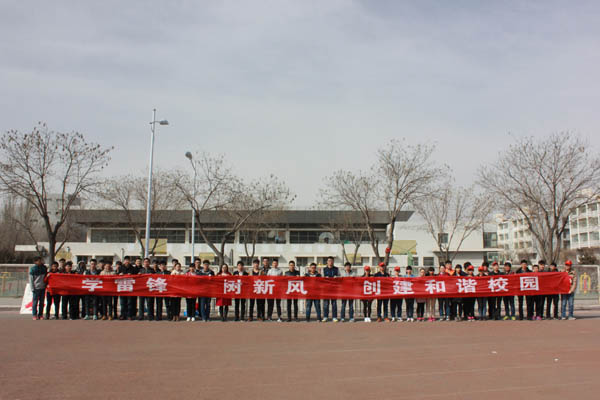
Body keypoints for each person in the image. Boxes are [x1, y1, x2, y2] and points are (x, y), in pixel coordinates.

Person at [322, 256, 339, 322]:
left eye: (331, 261)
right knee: (326, 304)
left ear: (333, 262)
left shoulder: (336, 269)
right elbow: (321, 279)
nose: (330, 262)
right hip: (326, 289)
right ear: (327, 262)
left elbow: (340, 277)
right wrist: (324, 278)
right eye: (329, 261)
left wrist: (337, 277)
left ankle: (334, 317)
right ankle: (325, 316)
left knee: (334, 304)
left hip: (334, 289)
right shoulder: (324, 269)